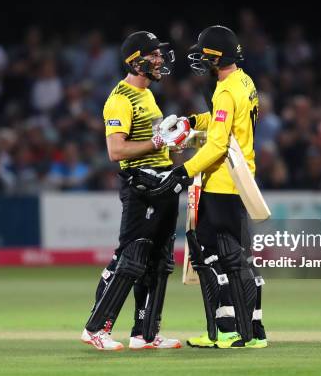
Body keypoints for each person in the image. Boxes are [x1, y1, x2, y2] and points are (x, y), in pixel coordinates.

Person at [80, 31, 191, 351]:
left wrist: (180, 142)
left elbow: (163, 151)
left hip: (161, 181)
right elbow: (116, 151)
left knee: (160, 262)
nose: (159, 60)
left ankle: (145, 333)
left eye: (159, 54)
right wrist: (159, 141)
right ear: (135, 60)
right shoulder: (120, 98)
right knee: (133, 257)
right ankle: (95, 328)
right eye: (153, 55)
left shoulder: (148, 96)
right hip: (140, 184)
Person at [170, 25, 267, 348]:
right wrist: (196, 121)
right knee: (229, 256)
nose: (200, 58)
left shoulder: (225, 90)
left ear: (216, 56)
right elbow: (225, 121)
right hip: (240, 179)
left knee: (218, 256)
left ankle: (233, 331)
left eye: (204, 52)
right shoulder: (244, 82)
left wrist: (184, 171)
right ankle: (245, 330)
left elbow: (217, 146)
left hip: (223, 182)